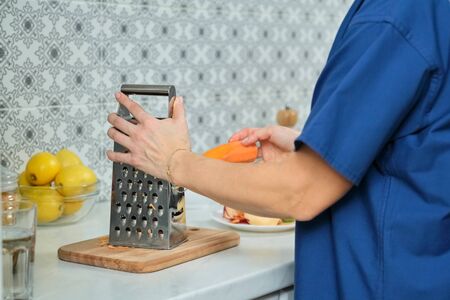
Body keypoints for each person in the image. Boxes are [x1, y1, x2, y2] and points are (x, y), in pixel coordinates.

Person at [106, 0, 450, 298]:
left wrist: (173, 161)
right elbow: (425, 142)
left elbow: (301, 191)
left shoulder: (395, 16)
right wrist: (324, 144)